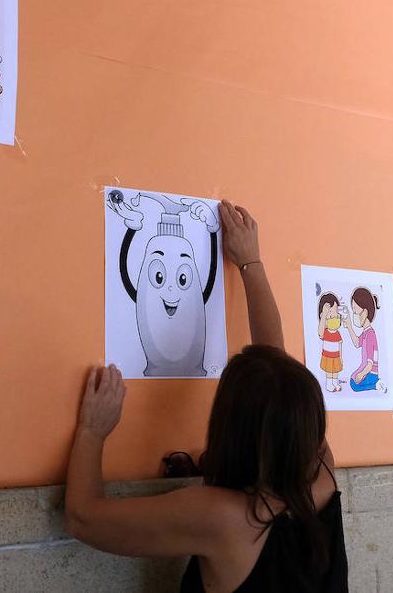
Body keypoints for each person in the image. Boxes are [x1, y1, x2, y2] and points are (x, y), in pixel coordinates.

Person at [66, 200, 348, 591]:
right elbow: (279, 381)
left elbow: (82, 518)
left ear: (228, 425)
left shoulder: (224, 518)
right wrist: (251, 264)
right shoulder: (324, 478)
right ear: (309, 422)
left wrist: (91, 432)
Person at [342, 287, 386, 393]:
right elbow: (357, 343)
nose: (355, 315)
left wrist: (362, 374)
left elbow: (370, 363)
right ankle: (375, 383)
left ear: (365, 312)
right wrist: (349, 326)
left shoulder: (370, 334)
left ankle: (376, 384)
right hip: (366, 369)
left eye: (356, 312)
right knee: (353, 379)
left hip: (370, 372)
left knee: (354, 384)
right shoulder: (366, 332)